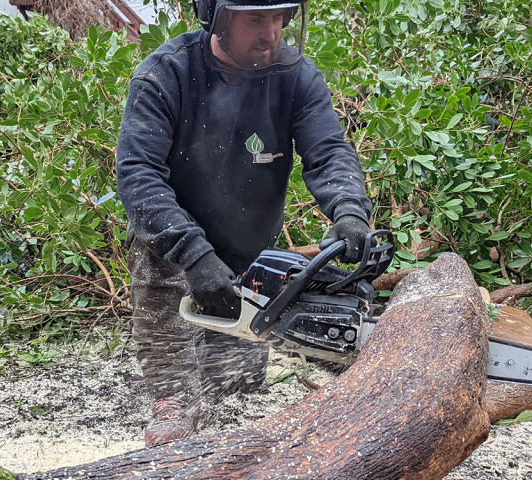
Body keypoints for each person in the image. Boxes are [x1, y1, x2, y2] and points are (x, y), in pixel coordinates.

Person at [116, 0, 373, 447]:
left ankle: (219, 379)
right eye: (256, 19)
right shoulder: (166, 74)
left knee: (236, 382)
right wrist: (194, 255)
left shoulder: (296, 76)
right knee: (159, 270)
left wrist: (349, 211)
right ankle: (170, 395)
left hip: (249, 238)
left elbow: (329, 150)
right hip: (173, 236)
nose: (270, 34)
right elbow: (137, 174)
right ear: (217, 16)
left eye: (279, 19)